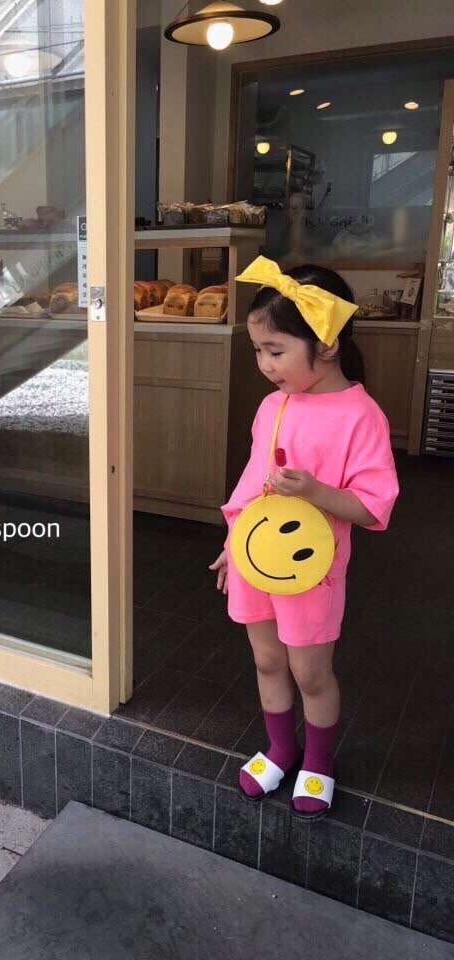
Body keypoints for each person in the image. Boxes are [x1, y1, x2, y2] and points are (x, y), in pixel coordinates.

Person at [210, 256, 398, 819]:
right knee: (267, 659)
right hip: (256, 560)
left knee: (309, 671)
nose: (264, 365)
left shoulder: (360, 416)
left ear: (328, 344)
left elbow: (372, 506)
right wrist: (232, 545)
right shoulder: (273, 405)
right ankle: (280, 749)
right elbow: (251, 485)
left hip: (312, 570)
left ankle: (317, 760)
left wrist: (315, 491)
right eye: (258, 351)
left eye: (276, 351)